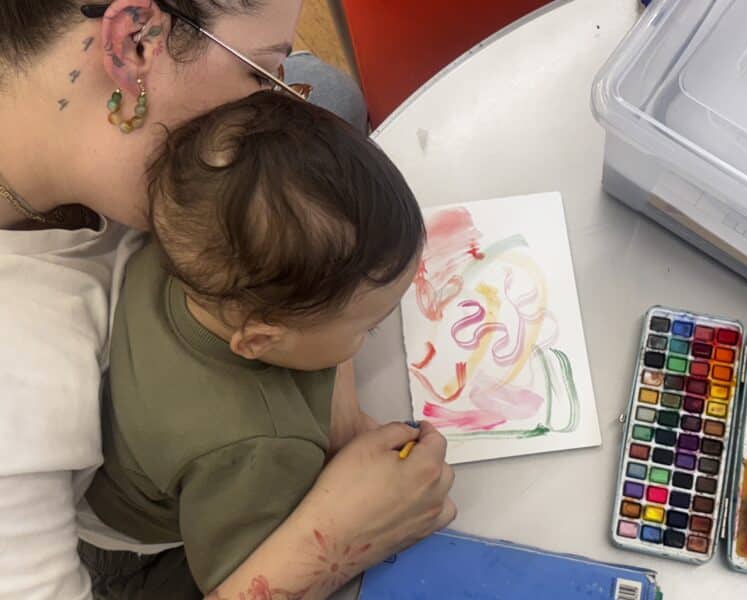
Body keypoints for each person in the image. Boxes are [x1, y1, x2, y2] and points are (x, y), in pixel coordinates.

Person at [0, 2, 455, 599]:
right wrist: (335, 538)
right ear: (135, 42)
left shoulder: (160, 167)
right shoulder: (21, 379)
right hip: (129, 547)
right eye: (260, 71)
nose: (280, 95)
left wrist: (337, 392)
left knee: (331, 93)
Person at [79, 90, 426, 597]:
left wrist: (345, 409)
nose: (372, 334)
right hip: (139, 559)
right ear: (260, 339)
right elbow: (257, 572)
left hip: (117, 481)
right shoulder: (260, 447)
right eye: (367, 328)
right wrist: (368, 517)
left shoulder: (196, 256)